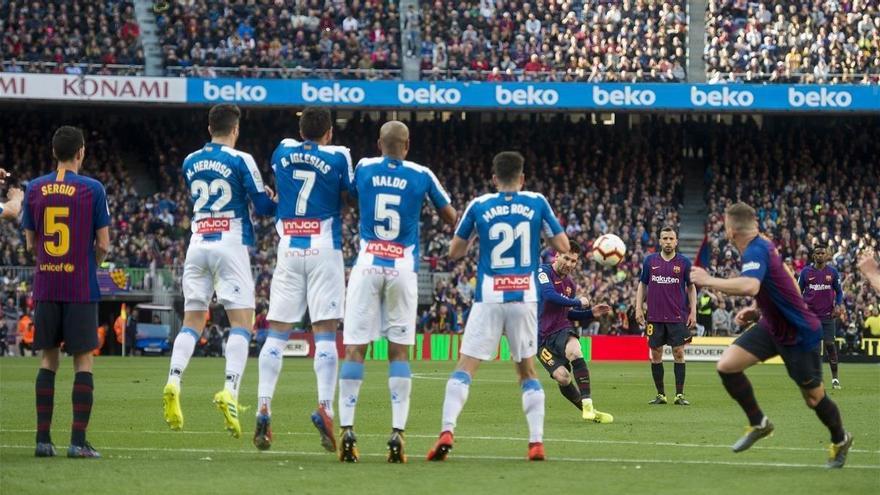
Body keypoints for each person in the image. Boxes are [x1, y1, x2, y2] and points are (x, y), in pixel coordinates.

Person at [426, 151, 568, 462]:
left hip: (489, 296)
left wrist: (476, 235)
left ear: (494, 179)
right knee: (527, 372)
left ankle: (447, 430)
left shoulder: (479, 205)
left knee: (465, 368)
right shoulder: (537, 202)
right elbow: (563, 247)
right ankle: (536, 442)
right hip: (524, 298)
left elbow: (455, 252)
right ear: (522, 178)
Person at [690, 202, 853, 468]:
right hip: (772, 326)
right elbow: (781, 281)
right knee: (727, 366)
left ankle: (840, 438)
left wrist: (707, 280)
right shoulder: (762, 245)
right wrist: (757, 310)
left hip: (800, 333)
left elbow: (751, 284)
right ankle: (759, 422)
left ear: (730, 230)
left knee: (814, 398)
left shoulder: (756, 248)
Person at [339, 121, 456, 463]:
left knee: (355, 350)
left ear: (379, 143)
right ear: (407, 145)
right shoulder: (422, 173)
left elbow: (350, 195)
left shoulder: (363, 166)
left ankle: (347, 429)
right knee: (399, 354)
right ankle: (398, 433)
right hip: (402, 266)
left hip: (367, 265)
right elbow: (449, 217)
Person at [162, 104, 277, 438]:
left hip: (198, 243)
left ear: (209, 127)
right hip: (230, 243)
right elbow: (264, 207)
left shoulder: (189, 161)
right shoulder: (241, 160)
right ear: (235, 129)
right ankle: (230, 390)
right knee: (242, 322)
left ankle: (173, 380)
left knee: (193, 322)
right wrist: (272, 196)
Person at [256, 107, 353, 452]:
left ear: (300, 130)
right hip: (324, 249)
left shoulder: (281, 150)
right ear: (329, 133)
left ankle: (263, 406)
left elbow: (283, 185)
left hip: (289, 250)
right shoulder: (339, 155)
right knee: (325, 334)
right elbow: (350, 194)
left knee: (276, 334)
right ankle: (325, 407)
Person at [22, 126, 111, 458]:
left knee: (48, 360)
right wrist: (91, 263)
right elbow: (103, 244)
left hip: (46, 284)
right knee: (83, 361)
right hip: (80, 286)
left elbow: (31, 243)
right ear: (81, 152)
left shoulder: (34, 188)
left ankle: (43, 441)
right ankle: (77, 443)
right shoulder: (93, 189)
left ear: (53, 151)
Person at [535, 242, 613, 422]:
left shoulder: (570, 284)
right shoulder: (543, 272)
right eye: (566, 258)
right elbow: (549, 295)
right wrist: (578, 302)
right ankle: (590, 412)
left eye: (574, 261)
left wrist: (590, 313)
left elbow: (566, 312)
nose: (569, 264)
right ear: (557, 255)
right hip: (540, 339)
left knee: (575, 351)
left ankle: (588, 405)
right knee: (562, 378)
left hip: (561, 329)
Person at [634, 226, 697, 406]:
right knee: (656, 354)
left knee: (679, 353)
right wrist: (638, 307)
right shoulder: (649, 261)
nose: (668, 242)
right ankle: (661, 395)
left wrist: (693, 311)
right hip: (654, 316)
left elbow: (691, 287)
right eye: (665, 238)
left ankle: (679, 395)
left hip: (677, 316)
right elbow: (642, 285)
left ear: (676, 241)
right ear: (660, 241)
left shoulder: (684, 262)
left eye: (671, 238)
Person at [798, 243, 845, 389]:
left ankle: (835, 379)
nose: (819, 255)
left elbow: (839, 292)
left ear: (826, 255)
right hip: (811, 317)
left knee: (830, 345)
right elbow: (798, 292)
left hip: (827, 316)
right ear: (813, 255)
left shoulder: (833, 272)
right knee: (816, 349)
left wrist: (837, 305)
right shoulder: (805, 272)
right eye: (817, 253)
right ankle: (817, 379)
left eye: (822, 253)